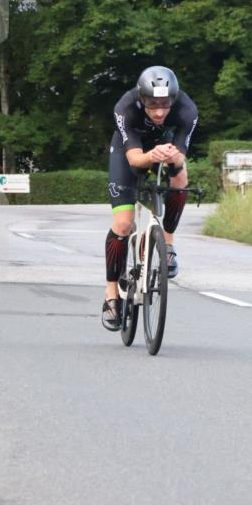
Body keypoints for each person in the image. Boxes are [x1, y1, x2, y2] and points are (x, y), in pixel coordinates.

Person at [102, 66, 198, 331]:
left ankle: (167, 245)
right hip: (128, 151)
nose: (158, 111)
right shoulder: (126, 107)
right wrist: (152, 156)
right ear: (141, 99)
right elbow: (134, 160)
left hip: (164, 147)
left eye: (165, 105)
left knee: (180, 178)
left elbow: (180, 153)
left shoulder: (187, 110)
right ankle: (111, 293)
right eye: (152, 104)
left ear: (174, 100)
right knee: (122, 224)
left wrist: (172, 157)